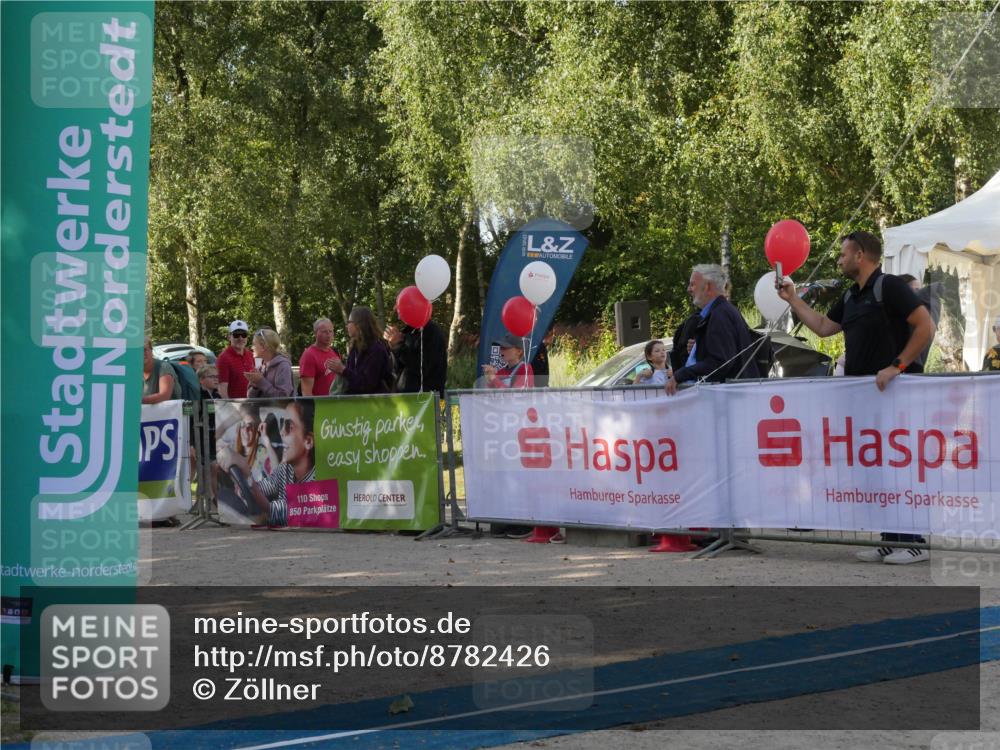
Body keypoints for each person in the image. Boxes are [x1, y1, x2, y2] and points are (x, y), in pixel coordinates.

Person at [778, 230, 936, 565]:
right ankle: (890, 538)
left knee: (899, 468)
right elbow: (824, 327)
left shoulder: (889, 286)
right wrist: (793, 299)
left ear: (860, 255)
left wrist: (897, 366)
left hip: (895, 396)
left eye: (843, 254)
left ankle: (915, 542)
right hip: (864, 399)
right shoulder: (851, 295)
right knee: (876, 469)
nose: (839, 260)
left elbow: (926, 326)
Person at [217, 400, 315, 528]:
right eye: (282, 425)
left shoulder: (316, 480)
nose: (281, 432)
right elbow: (265, 487)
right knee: (225, 495)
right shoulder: (286, 469)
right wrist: (243, 487)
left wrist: (246, 473)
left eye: (289, 427)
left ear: (308, 441)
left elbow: (277, 511)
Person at [665, 264, 760, 396]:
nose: (689, 289)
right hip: (733, 395)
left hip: (729, 398)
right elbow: (726, 354)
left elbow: (720, 362)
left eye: (692, 284)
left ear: (707, 287)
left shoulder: (719, 315)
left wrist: (681, 374)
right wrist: (699, 349)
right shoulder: (722, 311)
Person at [328, 307, 394, 395]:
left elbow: (367, 385)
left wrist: (343, 370)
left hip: (375, 402)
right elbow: (352, 381)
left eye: (349, 322)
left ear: (359, 324)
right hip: (357, 402)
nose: (347, 326)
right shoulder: (354, 348)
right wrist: (340, 370)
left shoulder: (377, 349)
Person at [385, 315, 448, 397]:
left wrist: (399, 346)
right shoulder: (409, 331)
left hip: (426, 398)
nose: (399, 315)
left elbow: (422, 368)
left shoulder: (430, 331)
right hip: (405, 398)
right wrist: (394, 347)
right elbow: (397, 369)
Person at [246, 328, 295, 398]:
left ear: (263, 346)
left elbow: (283, 398)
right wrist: (255, 385)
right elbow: (250, 397)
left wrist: (260, 381)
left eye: (254, 344)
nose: (252, 347)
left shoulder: (283, 366)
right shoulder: (261, 367)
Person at [299, 318, 342, 397]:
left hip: (336, 402)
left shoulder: (335, 352)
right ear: (315, 333)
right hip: (320, 403)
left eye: (330, 331)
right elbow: (306, 393)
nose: (328, 335)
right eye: (324, 331)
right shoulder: (309, 355)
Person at [216, 320, 255, 399]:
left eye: (244, 335)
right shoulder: (223, 358)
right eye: (236, 335)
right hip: (235, 405)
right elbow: (222, 388)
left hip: (251, 403)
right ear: (229, 337)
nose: (240, 338)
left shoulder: (250, 355)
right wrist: (228, 405)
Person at [142, 336, 180, 404]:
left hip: (170, 410)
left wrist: (137, 401)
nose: (141, 353)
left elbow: (164, 396)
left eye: (144, 349)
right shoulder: (133, 371)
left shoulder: (164, 367)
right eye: (137, 351)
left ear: (151, 350)